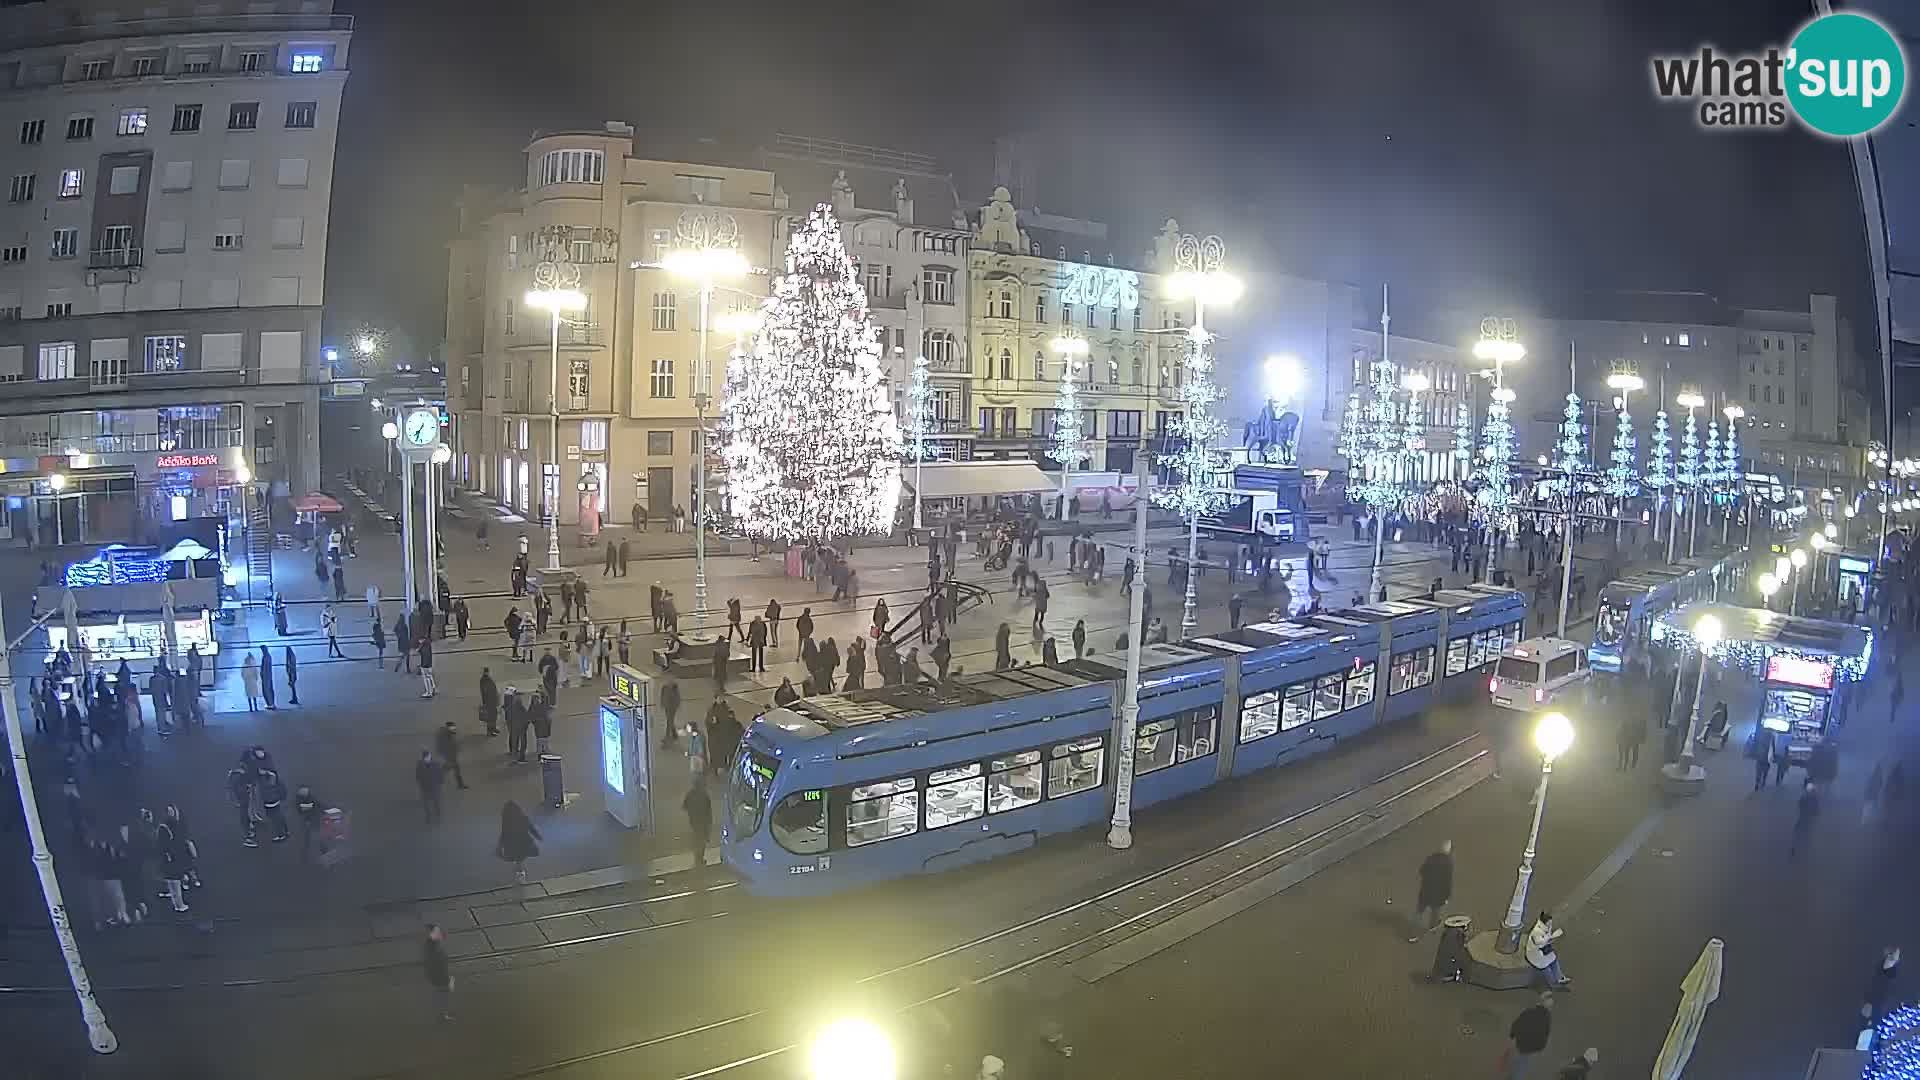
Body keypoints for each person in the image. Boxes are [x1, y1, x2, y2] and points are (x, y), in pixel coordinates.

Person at [1502, 992, 1554, 1080]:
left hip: (1520, 1043)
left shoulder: (1528, 1011)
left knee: (1517, 1060)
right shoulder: (1547, 1019)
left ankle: (1512, 1075)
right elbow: (1546, 1033)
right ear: (1549, 1008)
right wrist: (1541, 1047)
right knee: (1522, 1066)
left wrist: (1512, 1036)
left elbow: (1516, 1024)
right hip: (1532, 1047)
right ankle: (1515, 1077)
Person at [1410, 840, 1453, 941]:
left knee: (1419, 913)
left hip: (1425, 891)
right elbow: (1447, 881)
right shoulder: (1448, 863)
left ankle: (1413, 934)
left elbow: (1422, 871)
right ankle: (1433, 926)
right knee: (1435, 911)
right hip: (1438, 894)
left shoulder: (1431, 858)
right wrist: (1447, 896)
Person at [496, 799, 542, 884]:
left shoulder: (507, 821)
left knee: (518, 859)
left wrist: (499, 846)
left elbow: (503, 834)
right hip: (524, 843)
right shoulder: (523, 818)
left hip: (512, 845)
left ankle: (519, 873)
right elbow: (531, 828)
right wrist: (538, 836)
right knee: (520, 859)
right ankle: (520, 874)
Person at [1524, 911, 1571, 989]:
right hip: (1535, 955)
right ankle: (1554, 982)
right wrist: (1552, 937)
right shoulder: (1536, 931)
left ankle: (1559, 978)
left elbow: (1546, 940)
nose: (1550, 925)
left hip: (1541, 950)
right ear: (1544, 923)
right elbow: (1538, 942)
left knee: (1552, 960)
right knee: (1546, 966)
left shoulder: (1545, 928)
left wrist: (1553, 937)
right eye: (1549, 923)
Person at [423, 924, 454, 1022]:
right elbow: (437, 964)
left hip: (439, 976)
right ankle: (442, 1016)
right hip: (439, 977)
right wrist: (448, 980)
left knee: (441, 995)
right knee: (442, 995)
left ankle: (442, 1014)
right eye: (437, 932)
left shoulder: (432, 944)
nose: (439, 933)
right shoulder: (433, 947)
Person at [683, 774, 713, 870]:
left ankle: (697, 857)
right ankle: (700, 857)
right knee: (702, 839)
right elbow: (709, 810)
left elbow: (684, 806)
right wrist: (710, 821)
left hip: (694, 821)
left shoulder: (690, 794)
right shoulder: (704, 795)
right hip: (703, 821)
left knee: (696, 838)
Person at [1868, 946, 1903, 1025]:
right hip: (1878, 1002)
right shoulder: (1880, 970)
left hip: (1885, 1003)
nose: (1898, 958)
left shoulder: (1893, 972)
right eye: (1896, 955)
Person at [1791, 780, 1820, 859]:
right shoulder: (1813, 797)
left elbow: (1800, 804)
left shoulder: (1806, 796)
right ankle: (1802, 850)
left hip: (1803, 818)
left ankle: (1795, 848)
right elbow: (1816, 810)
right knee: (1805, 834)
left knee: (1798, 832)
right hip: (1807, 819)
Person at [436, 721, 468, 790]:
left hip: (451, 755)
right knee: (452, 769)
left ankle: (460, 784)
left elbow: (454, 741)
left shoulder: (449, 733)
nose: (454, 727)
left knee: (451, 768)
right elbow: (446, 745)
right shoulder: (444, 735)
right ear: (448, 727)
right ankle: (436, 780)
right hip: (450, 755)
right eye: (453, 726)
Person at [530, 689, 555, 757]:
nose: (537, 700)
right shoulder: (535, 707)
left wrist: (542, 692)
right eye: (535, 699)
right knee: (541, 740)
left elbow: (545, 699)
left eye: (537, 698)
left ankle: (544, 750)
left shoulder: (539, 705)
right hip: (540, 726)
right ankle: (541, 752)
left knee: (544, 739)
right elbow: (531, 718)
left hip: (544, 726)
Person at [478, 667, 500, 737]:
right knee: (490, 717)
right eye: (486, 672)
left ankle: (493, 728)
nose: (487, 673)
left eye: (487, 672)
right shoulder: (484, 680)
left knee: (494, 715)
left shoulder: (487, 678)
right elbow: (485, 692)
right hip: (489, 701)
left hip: (492, 701)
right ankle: (490, 731)